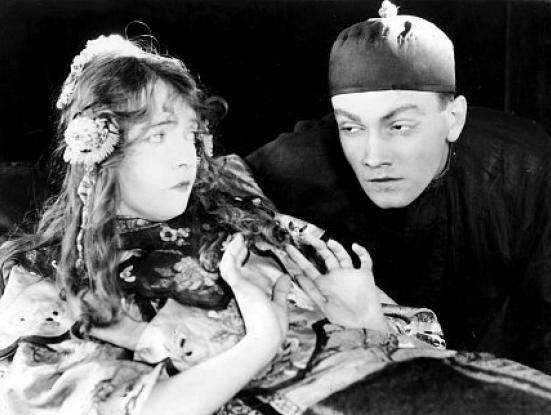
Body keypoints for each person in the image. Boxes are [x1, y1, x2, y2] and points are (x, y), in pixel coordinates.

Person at [1, 32, 551, 415]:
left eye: (190, 135)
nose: (185, 157)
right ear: (99, 150)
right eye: (158, 136)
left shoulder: (245, 216)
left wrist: (367, 317)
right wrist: (261, 339)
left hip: (403, 377)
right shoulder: (49, 276)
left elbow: (412, 339)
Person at [247, 0, 551, 375]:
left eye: (399, 127)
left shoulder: (527, 170)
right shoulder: (299, 163)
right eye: (351, 127)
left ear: (454, 119)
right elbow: (217, 187)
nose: (373, 157)